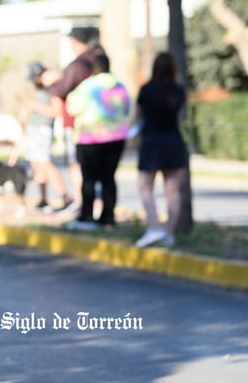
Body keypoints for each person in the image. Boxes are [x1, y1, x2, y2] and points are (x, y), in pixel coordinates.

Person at [65, 48, 131, 230]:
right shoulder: (119, 85)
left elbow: (73, 107)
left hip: (91, 138)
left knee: (89, 179)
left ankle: (87, 216)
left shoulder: (88, 86)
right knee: (109, 178)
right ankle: (108, 218)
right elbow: (127, 109)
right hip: (116, 137)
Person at [36, 26, 100, 207]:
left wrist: (51, 82)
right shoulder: (96, 60)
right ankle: (94, 207)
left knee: (76, 166)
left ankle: (83, 205)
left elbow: (62, 89)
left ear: (76, 41)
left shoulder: (80, 64)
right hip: (96, 122)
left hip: (76, 122)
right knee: (92, 167)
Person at [134, 52, 189, 248]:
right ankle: (169, 233)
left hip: (152, 141)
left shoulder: (147, 90)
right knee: (172, 190)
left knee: (144, 186)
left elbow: (137, 115)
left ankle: (154, 227)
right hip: (173, 140)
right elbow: (181, 115)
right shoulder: (179, 90)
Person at [9, 61, 74, 213]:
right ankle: (44, 199)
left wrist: (35, 106)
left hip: (43, 129)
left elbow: (56, 111)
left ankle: (66, 197)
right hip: (34, 128)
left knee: (44, 163)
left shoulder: (52, 86)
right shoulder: (40, 89)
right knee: (36, 164)